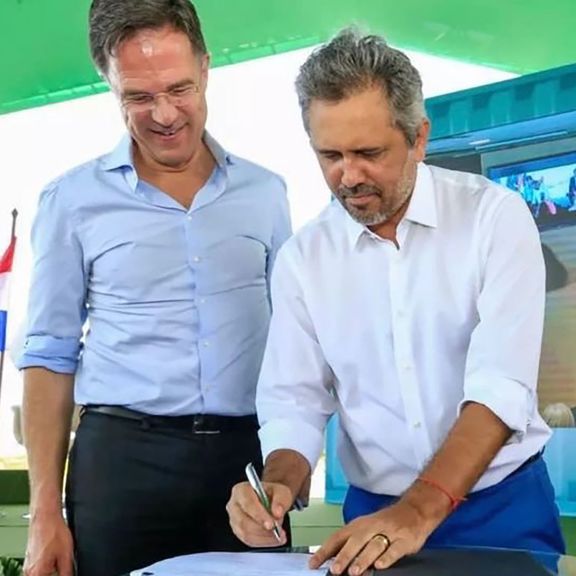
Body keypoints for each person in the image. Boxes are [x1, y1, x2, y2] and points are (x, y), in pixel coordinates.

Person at [226, 29, 565, 574]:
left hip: (502, 507)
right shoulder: (302, 260)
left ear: (419, 137)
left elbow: (500, 387)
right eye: (330, 155)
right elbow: (294, 400)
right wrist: (279, 483)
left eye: (369, 153)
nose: (349, 176)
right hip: (373, 516)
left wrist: (417, 512)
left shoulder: (494, 219)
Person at [17, 1, 291, 575]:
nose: (164, 114)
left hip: (244, 465)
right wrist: (45, 513)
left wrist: (288, 466)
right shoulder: (70, 201)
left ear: (207, 68)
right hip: (121, 466)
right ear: (109, 84)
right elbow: (48, 356)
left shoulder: (267, 194)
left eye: (179, 88)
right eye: (138, 97)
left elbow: (297, 345)